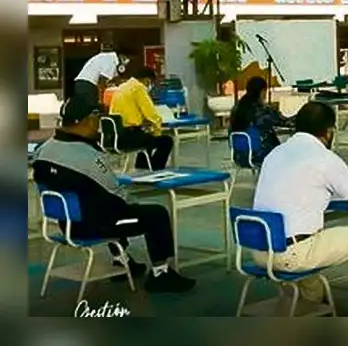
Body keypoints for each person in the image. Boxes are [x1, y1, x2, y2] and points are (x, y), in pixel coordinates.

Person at [31, 96, 196, 292]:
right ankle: (161, 274)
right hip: (94, 227)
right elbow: (116, 192)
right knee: (155, 214)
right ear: (86, 120)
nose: (98, 123)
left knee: (102, 203)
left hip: (67, 223)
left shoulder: (43, 150)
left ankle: (122, 259)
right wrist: (133, 202)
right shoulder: (88, 157)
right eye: (96, 118)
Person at [252, 102, 348, 316]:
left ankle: (311, 302)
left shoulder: (274, 154)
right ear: (329, 131)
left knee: (309, 239)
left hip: (260, 251)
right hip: (293, 254)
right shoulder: (325, 158)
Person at [109, 66, 173, 170]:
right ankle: (156, 169)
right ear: (147, 80)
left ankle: (143, 166)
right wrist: (158, 131)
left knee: (145, 134)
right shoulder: (138, 88)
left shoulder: (122, 87)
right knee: (166, 141)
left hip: (114, 137)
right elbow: (151, 114)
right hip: (129, 137)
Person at [229, 76, 291, 162]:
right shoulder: (262, 110)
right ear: (262, 92)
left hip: (239, 155)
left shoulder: (237, 107)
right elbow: (285, 122)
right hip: (259, 155)